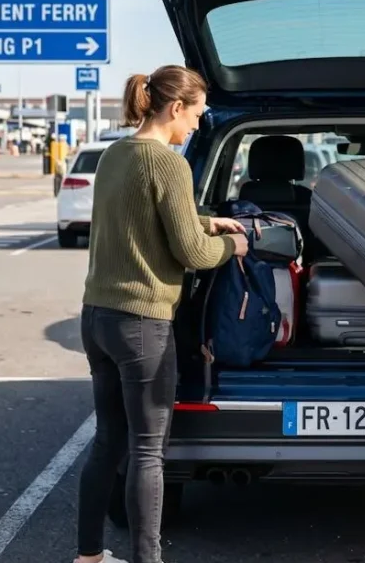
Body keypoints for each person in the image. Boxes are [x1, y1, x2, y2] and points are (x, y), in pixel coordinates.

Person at [74, 65, 249, 563]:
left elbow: (141, 215)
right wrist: (232, 245)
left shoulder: (114, 154)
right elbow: (192, 252)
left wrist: (205, 218)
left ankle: (88, 557)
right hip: (143, 324)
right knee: (149, 452)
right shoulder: (169, 164)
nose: (196, 125)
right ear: (175, 108)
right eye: (195, 114)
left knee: (109, 442)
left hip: (98, 317)